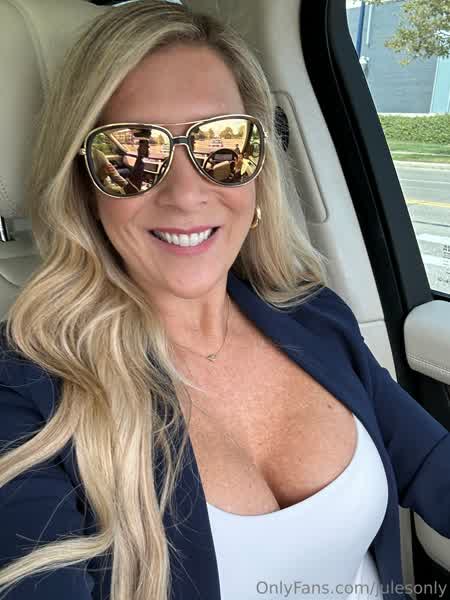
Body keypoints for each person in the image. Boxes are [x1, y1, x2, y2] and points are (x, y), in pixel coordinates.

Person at [0, 2, 449, 600]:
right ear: (84, 183)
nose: (186, 194)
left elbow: (432, 464)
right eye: (133, 153)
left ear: (257, 167)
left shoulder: (313, 315)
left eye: (223, 144)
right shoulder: (28, 392)